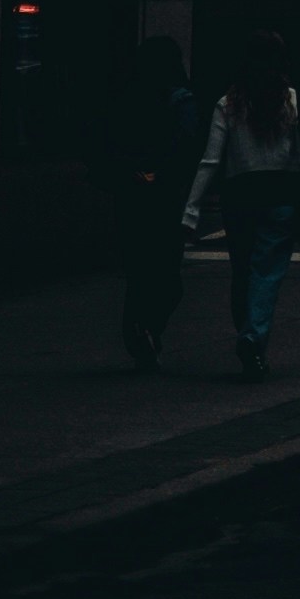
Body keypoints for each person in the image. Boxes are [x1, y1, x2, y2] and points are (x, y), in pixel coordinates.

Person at [183, 32, 300, 380]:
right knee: (267, 273)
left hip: (239, 197)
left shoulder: (228, 104)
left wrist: (191, 211)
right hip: (280, 195)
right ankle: (253, 337)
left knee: (243, 272)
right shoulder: (297, 101)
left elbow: (210, 161)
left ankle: (248, 336)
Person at [119, 38, 203, 370]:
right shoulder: (180, 100)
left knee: (140, 268)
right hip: (165, 193)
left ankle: (141, 328)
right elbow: (187, 145)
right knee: (167, 273)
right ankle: (147, 328)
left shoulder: (130, 98)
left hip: (135, 190)